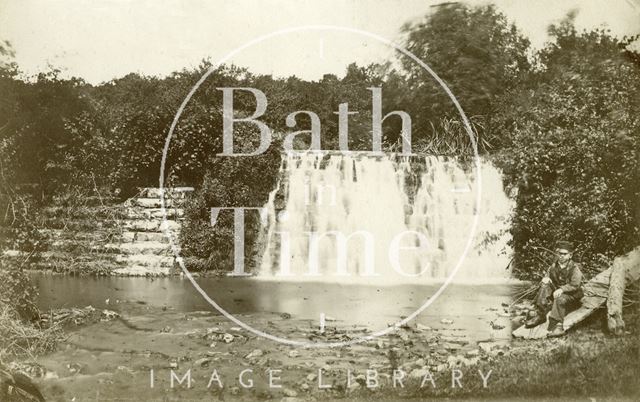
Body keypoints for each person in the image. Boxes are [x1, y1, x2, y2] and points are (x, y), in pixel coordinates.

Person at [525, 240, 584, 337]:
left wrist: (562, 289)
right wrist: (545, 279)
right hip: (557, 292)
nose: (561, 256)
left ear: (570, 255)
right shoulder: (553, 266)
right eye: (560, 253)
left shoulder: (575, 268)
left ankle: (558, 326)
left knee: (560, 298)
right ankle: (540, 315)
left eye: (564, 254)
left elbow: (575, 285)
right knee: (545, 285)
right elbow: (547, 276)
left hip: (573, 296)